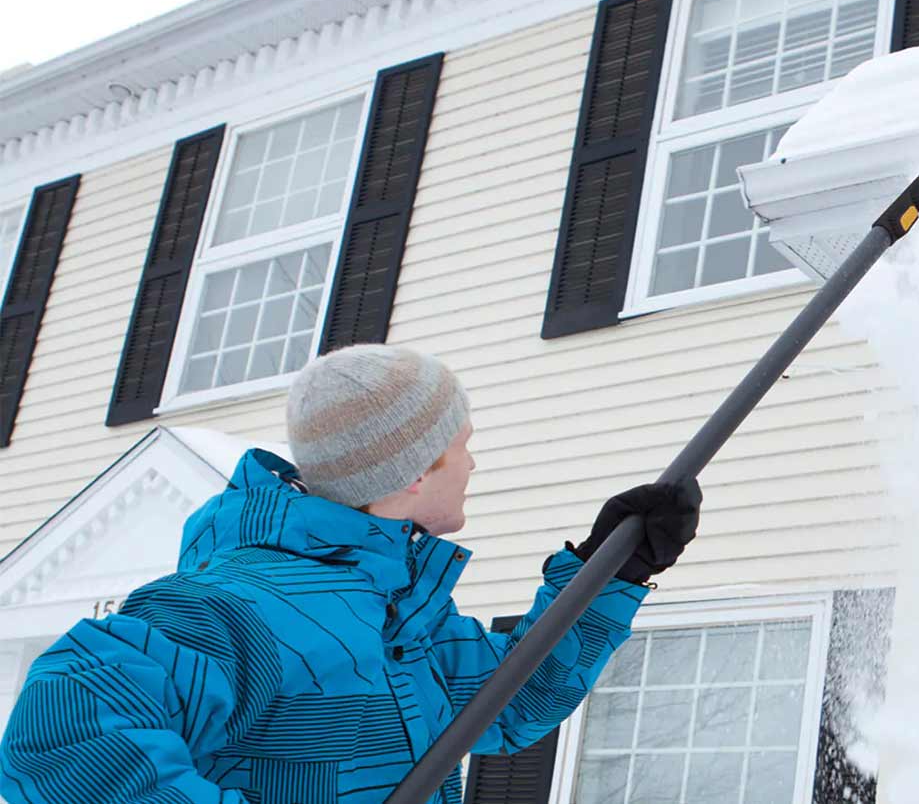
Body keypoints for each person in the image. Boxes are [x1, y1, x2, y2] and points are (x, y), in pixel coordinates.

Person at [0, 344, 701, 804]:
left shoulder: (395, 614)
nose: (473, 465)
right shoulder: (243, 605)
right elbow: (62, 728)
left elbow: (511, 700)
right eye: (464, 446)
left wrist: (608, 572)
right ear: (416, 469)